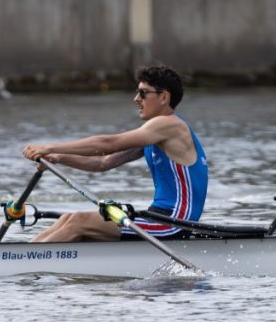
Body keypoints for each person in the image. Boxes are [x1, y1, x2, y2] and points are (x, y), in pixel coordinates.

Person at [22, 65, 208, 243]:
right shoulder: (154, 134)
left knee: (79, 221)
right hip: (157, 216)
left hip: (174, 223)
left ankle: (28, 261)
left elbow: (107, 144)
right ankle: (23, 256)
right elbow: (103, 162)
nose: (136, 99)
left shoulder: (170, 125)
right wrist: (58, 158)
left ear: (164, 97)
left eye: (143, 93)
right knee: (68, 218)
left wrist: (50, 148)